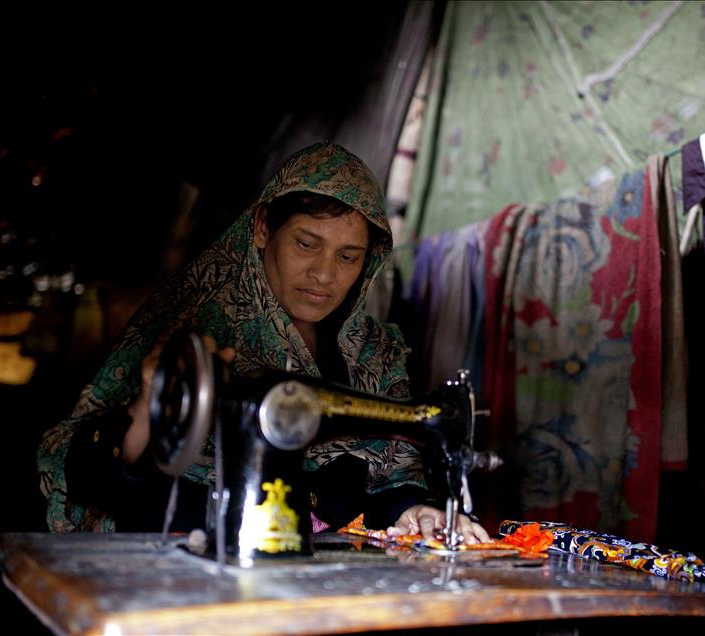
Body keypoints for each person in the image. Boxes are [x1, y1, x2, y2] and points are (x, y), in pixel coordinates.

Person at [37, 141, 490, 544]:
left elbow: (390, 487)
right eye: (306, 244)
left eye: (348, 257)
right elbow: (86, 470)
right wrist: (148, 409)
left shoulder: (376, 353)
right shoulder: (190, 326)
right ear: (262, 229)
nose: (325, 274)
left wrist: (415, 510)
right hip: (178, 564)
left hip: (311, 577)